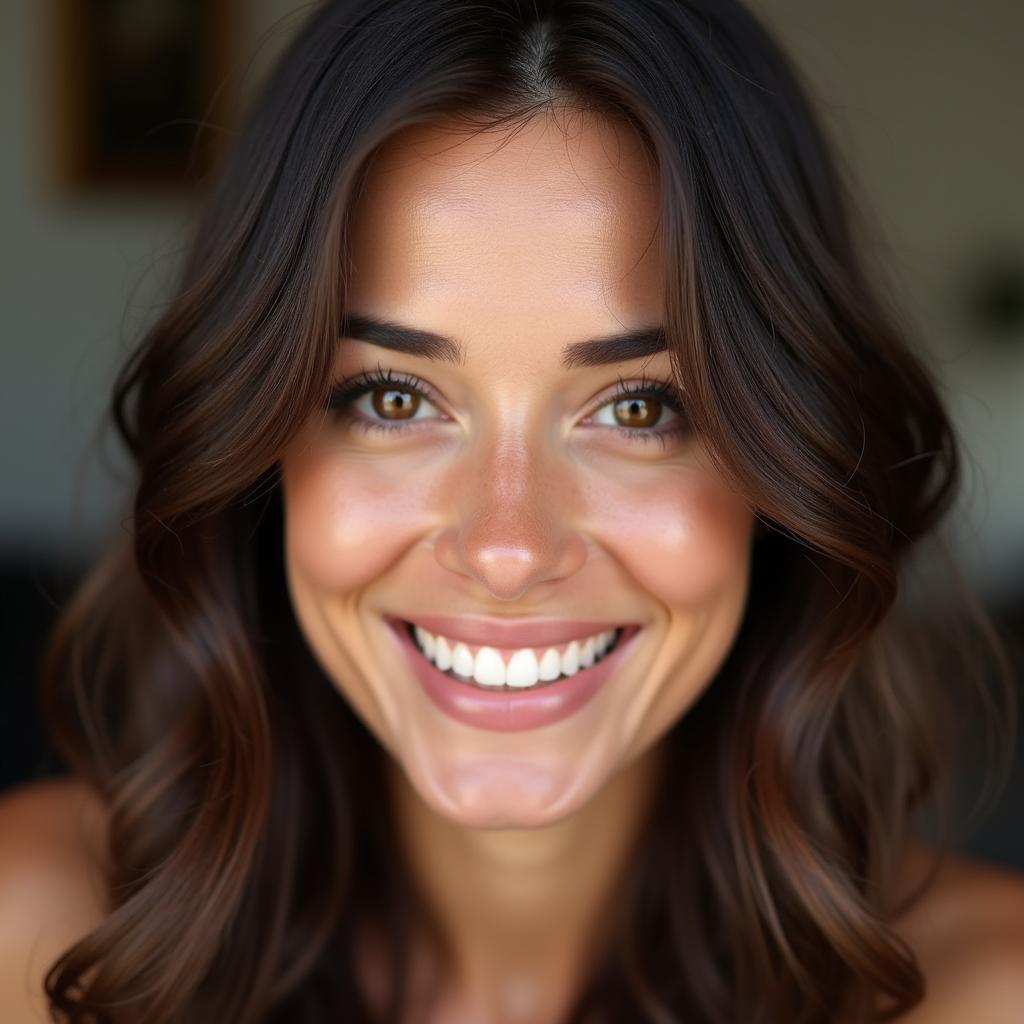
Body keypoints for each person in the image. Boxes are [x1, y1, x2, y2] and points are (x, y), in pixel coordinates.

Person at [1, 1, 1022, 1021]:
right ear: (258, 444)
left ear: (792, 460)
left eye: (640, 408)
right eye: (392, 398)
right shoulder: (33, 935)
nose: (506, 548)